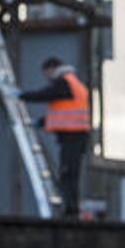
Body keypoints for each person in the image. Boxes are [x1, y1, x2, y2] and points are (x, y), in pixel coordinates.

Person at [16, 55, 90, 217]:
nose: (47, 77)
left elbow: (48, 95)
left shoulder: (65, 82)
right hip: (74, 136)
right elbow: (61, 112)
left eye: (47, 73)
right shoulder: (71, 83)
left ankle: (71, 210)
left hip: (73, 137)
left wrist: (22, 95)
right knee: (69, 174)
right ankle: (70, 208)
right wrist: (41, 122)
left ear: (52, 69)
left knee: (68, 174)